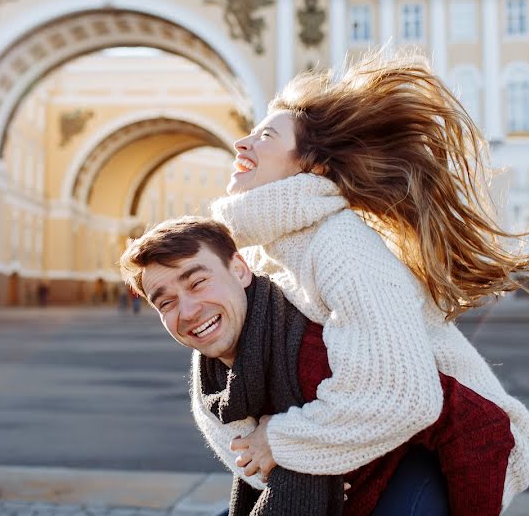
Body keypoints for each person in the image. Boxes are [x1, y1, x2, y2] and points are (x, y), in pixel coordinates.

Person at [202, 51, 529, 515]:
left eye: (266, 135)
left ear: (314, 166)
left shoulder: (341, 244)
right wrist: (284, 465)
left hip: (446, 451)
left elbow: (405, 396)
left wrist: (282, 444)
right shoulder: (265, 256)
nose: (242, 144)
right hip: (374, 447)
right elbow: (232, 394)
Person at [120, 217, 449, 515]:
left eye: (197, 282)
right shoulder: (212, 383)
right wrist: (299, 468)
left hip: (413, 477)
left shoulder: (315, 343)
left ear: (239, 269)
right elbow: (256, 470)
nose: (188, 311)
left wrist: (292, 448)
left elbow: (463, 413)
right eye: (166, 302)